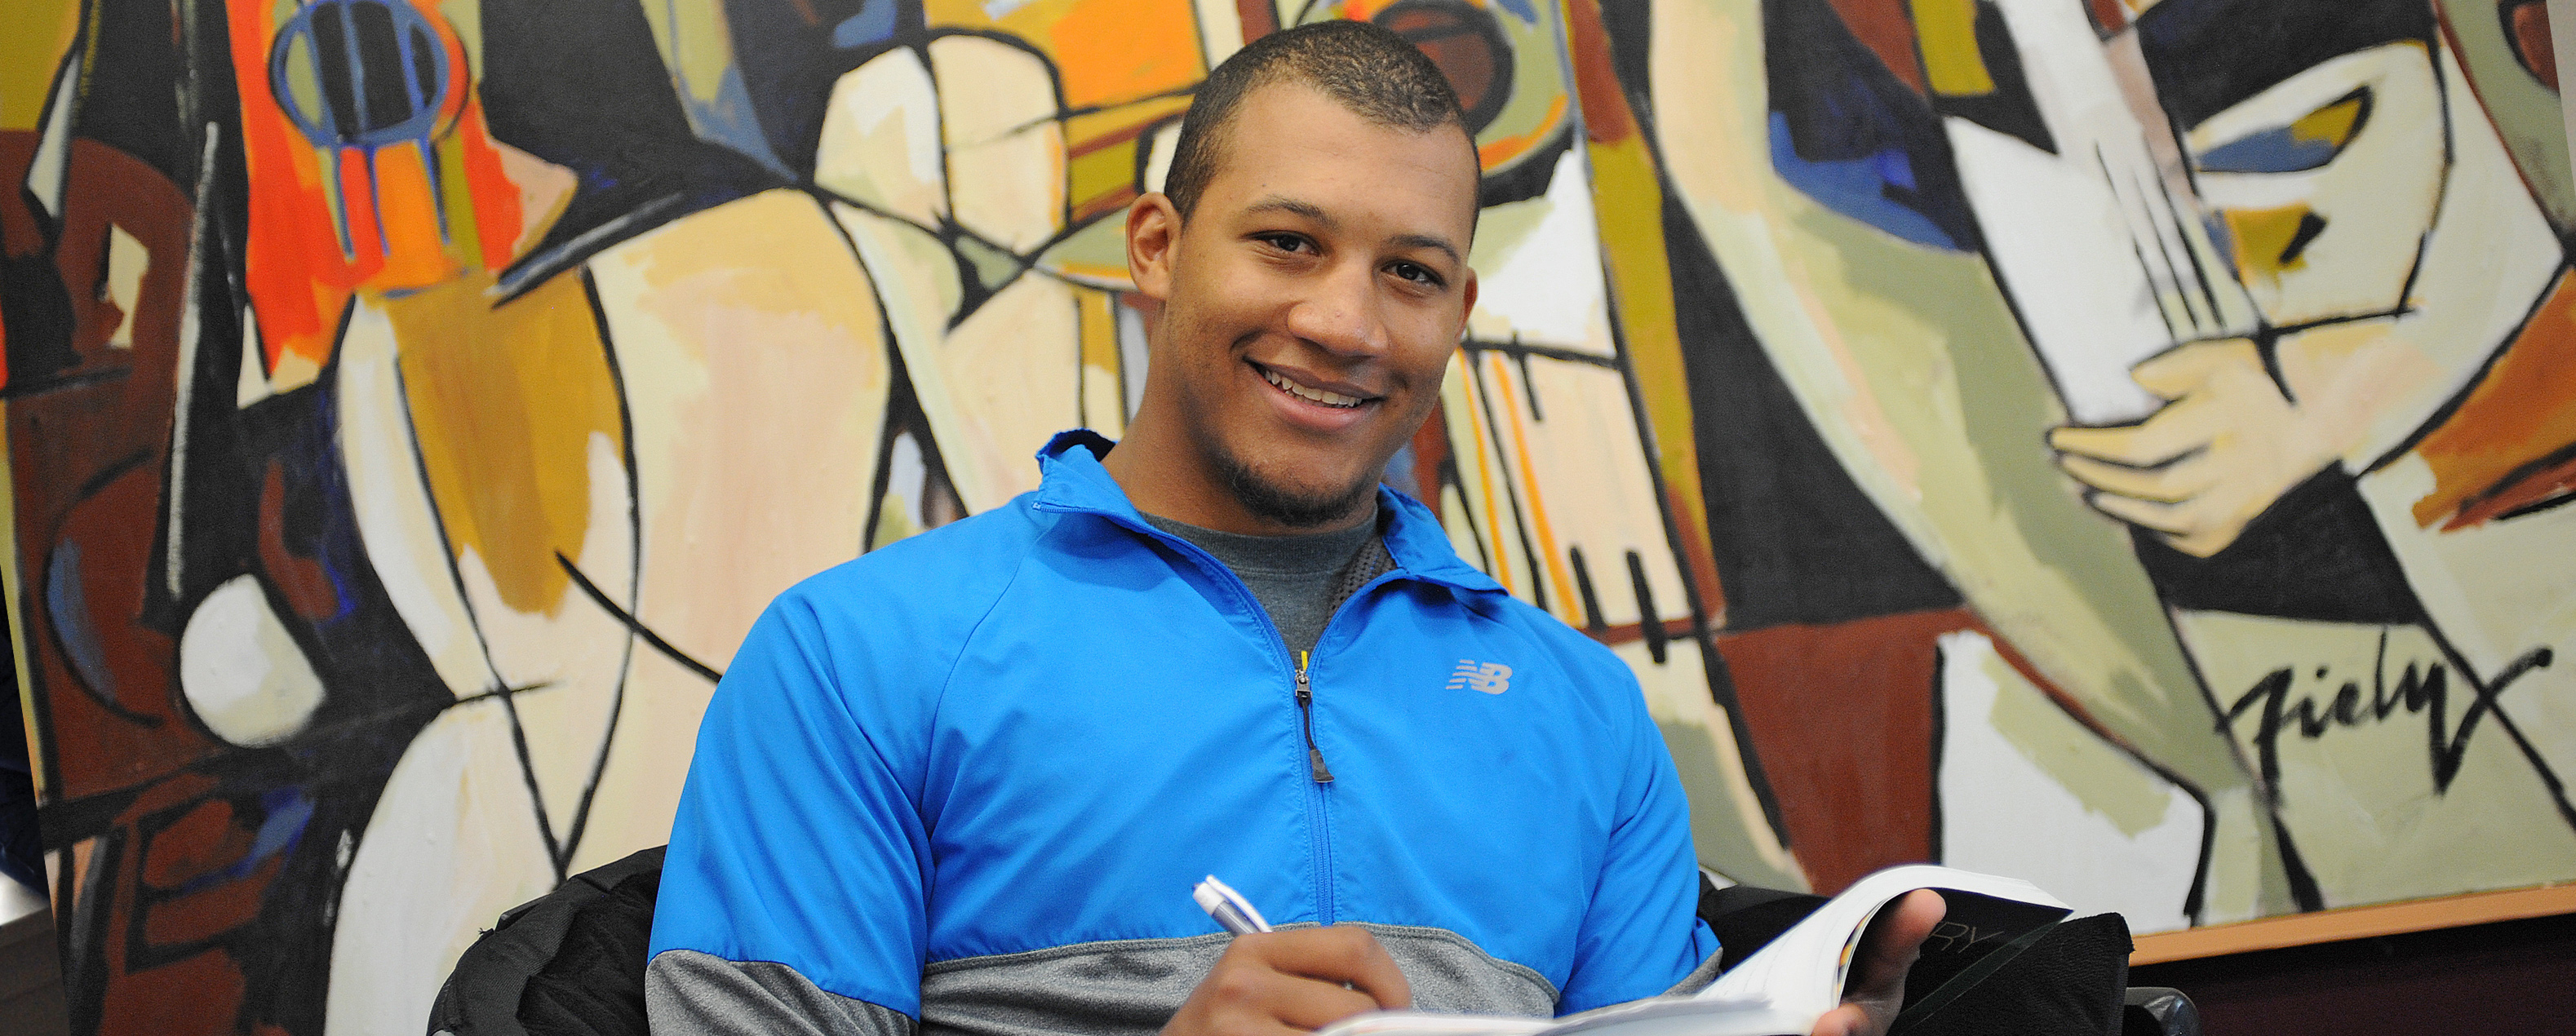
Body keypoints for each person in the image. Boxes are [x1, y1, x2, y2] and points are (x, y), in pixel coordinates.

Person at [643, 20, 1941, 1036]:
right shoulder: (855, 657)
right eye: (1286, 242)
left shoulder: (1585, 713)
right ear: (1156, 245)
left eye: (1410, 273)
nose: (1346, 324)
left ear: (1458, 306)